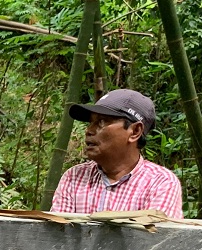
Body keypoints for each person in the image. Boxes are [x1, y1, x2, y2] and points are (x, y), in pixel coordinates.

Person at [51, 89, 183, 218]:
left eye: (101, 122)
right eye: (91, 122)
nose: (89, 130)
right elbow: (58, 231)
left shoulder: (160, 183)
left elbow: (156, 232)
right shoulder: (75, 177)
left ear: (135, 131)